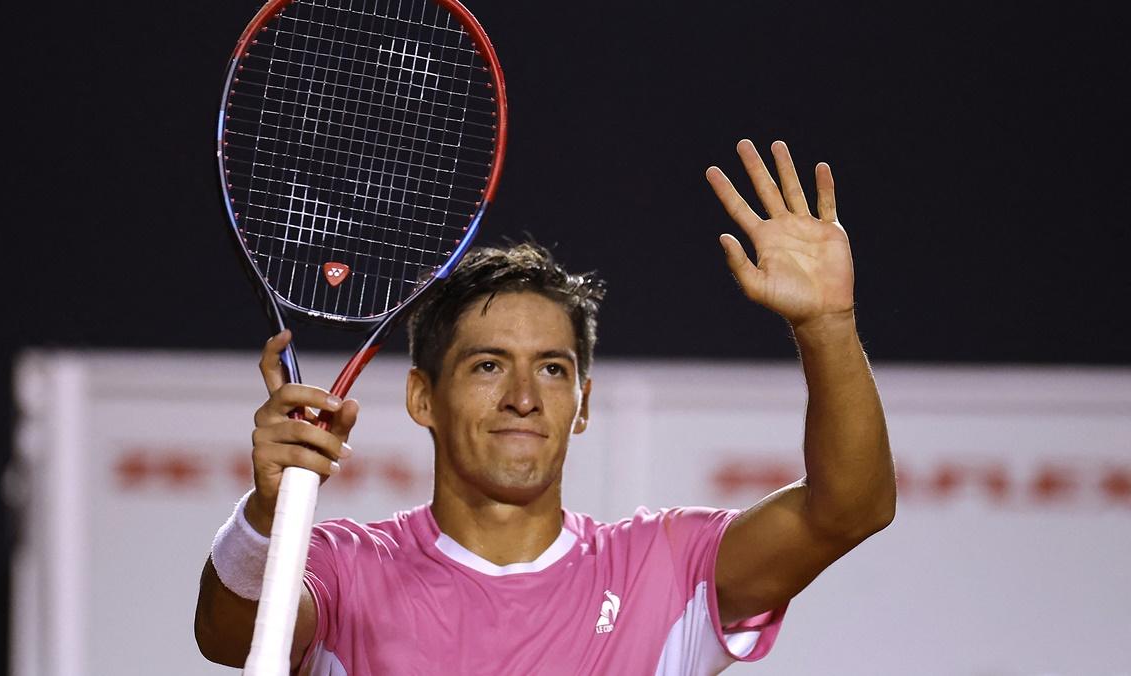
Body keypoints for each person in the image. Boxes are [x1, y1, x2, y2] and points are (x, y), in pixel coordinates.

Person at [194, 140, 896, 674]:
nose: (524, 398)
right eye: (489, 365)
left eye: (553, 370)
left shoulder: (666, 569)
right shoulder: (345, 569)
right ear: (422, 397)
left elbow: (849, 510)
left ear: (582, 404)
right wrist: (267, 517)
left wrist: (827, 327)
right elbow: (231, 638)